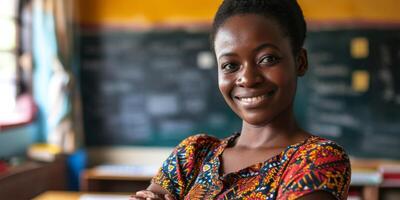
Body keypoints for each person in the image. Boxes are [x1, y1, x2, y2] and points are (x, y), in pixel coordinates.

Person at [131, 0, 351, 199]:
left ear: (300, 62)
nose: (247, 78)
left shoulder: (318, 160)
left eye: (267, 59)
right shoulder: (192, 154)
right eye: (230, 65)